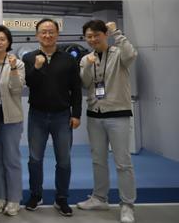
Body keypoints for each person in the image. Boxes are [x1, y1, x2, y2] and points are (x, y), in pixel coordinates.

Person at [77, 20, 137, 223]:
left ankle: (127, 205)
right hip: (95, 115)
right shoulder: (86, 59)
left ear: (105, 34)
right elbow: (85, 82)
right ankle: (99, 198)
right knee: (98, 160)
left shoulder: (119, 53)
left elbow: (131, 55)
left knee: (123, 162)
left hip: (117, 113)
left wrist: (117, 32)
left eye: (97, 35)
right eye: (89, 36)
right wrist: (88, 66)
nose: (93, 39)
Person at [23, 18, 82, 216]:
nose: (47, 35)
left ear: (57, 34)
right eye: (43, 32)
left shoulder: (69, 59)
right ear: (37, 35)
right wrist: (37, 67)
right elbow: (29, 83)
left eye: (51, 32)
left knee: (64, 160)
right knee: (34, 159)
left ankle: (62, 198)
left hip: (62, 116)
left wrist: (76, 114)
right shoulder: (29, 58)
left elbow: (76, 89)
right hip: (37, 116)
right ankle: (35, 195)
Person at [0, 25, 25, 217]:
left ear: (8, 42)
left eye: (2, 39)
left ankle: (14, 199)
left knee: (11, 159)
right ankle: (0, 197)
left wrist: (14, 68)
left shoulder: (17, 63)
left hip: (11, 118)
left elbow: (17, 89)